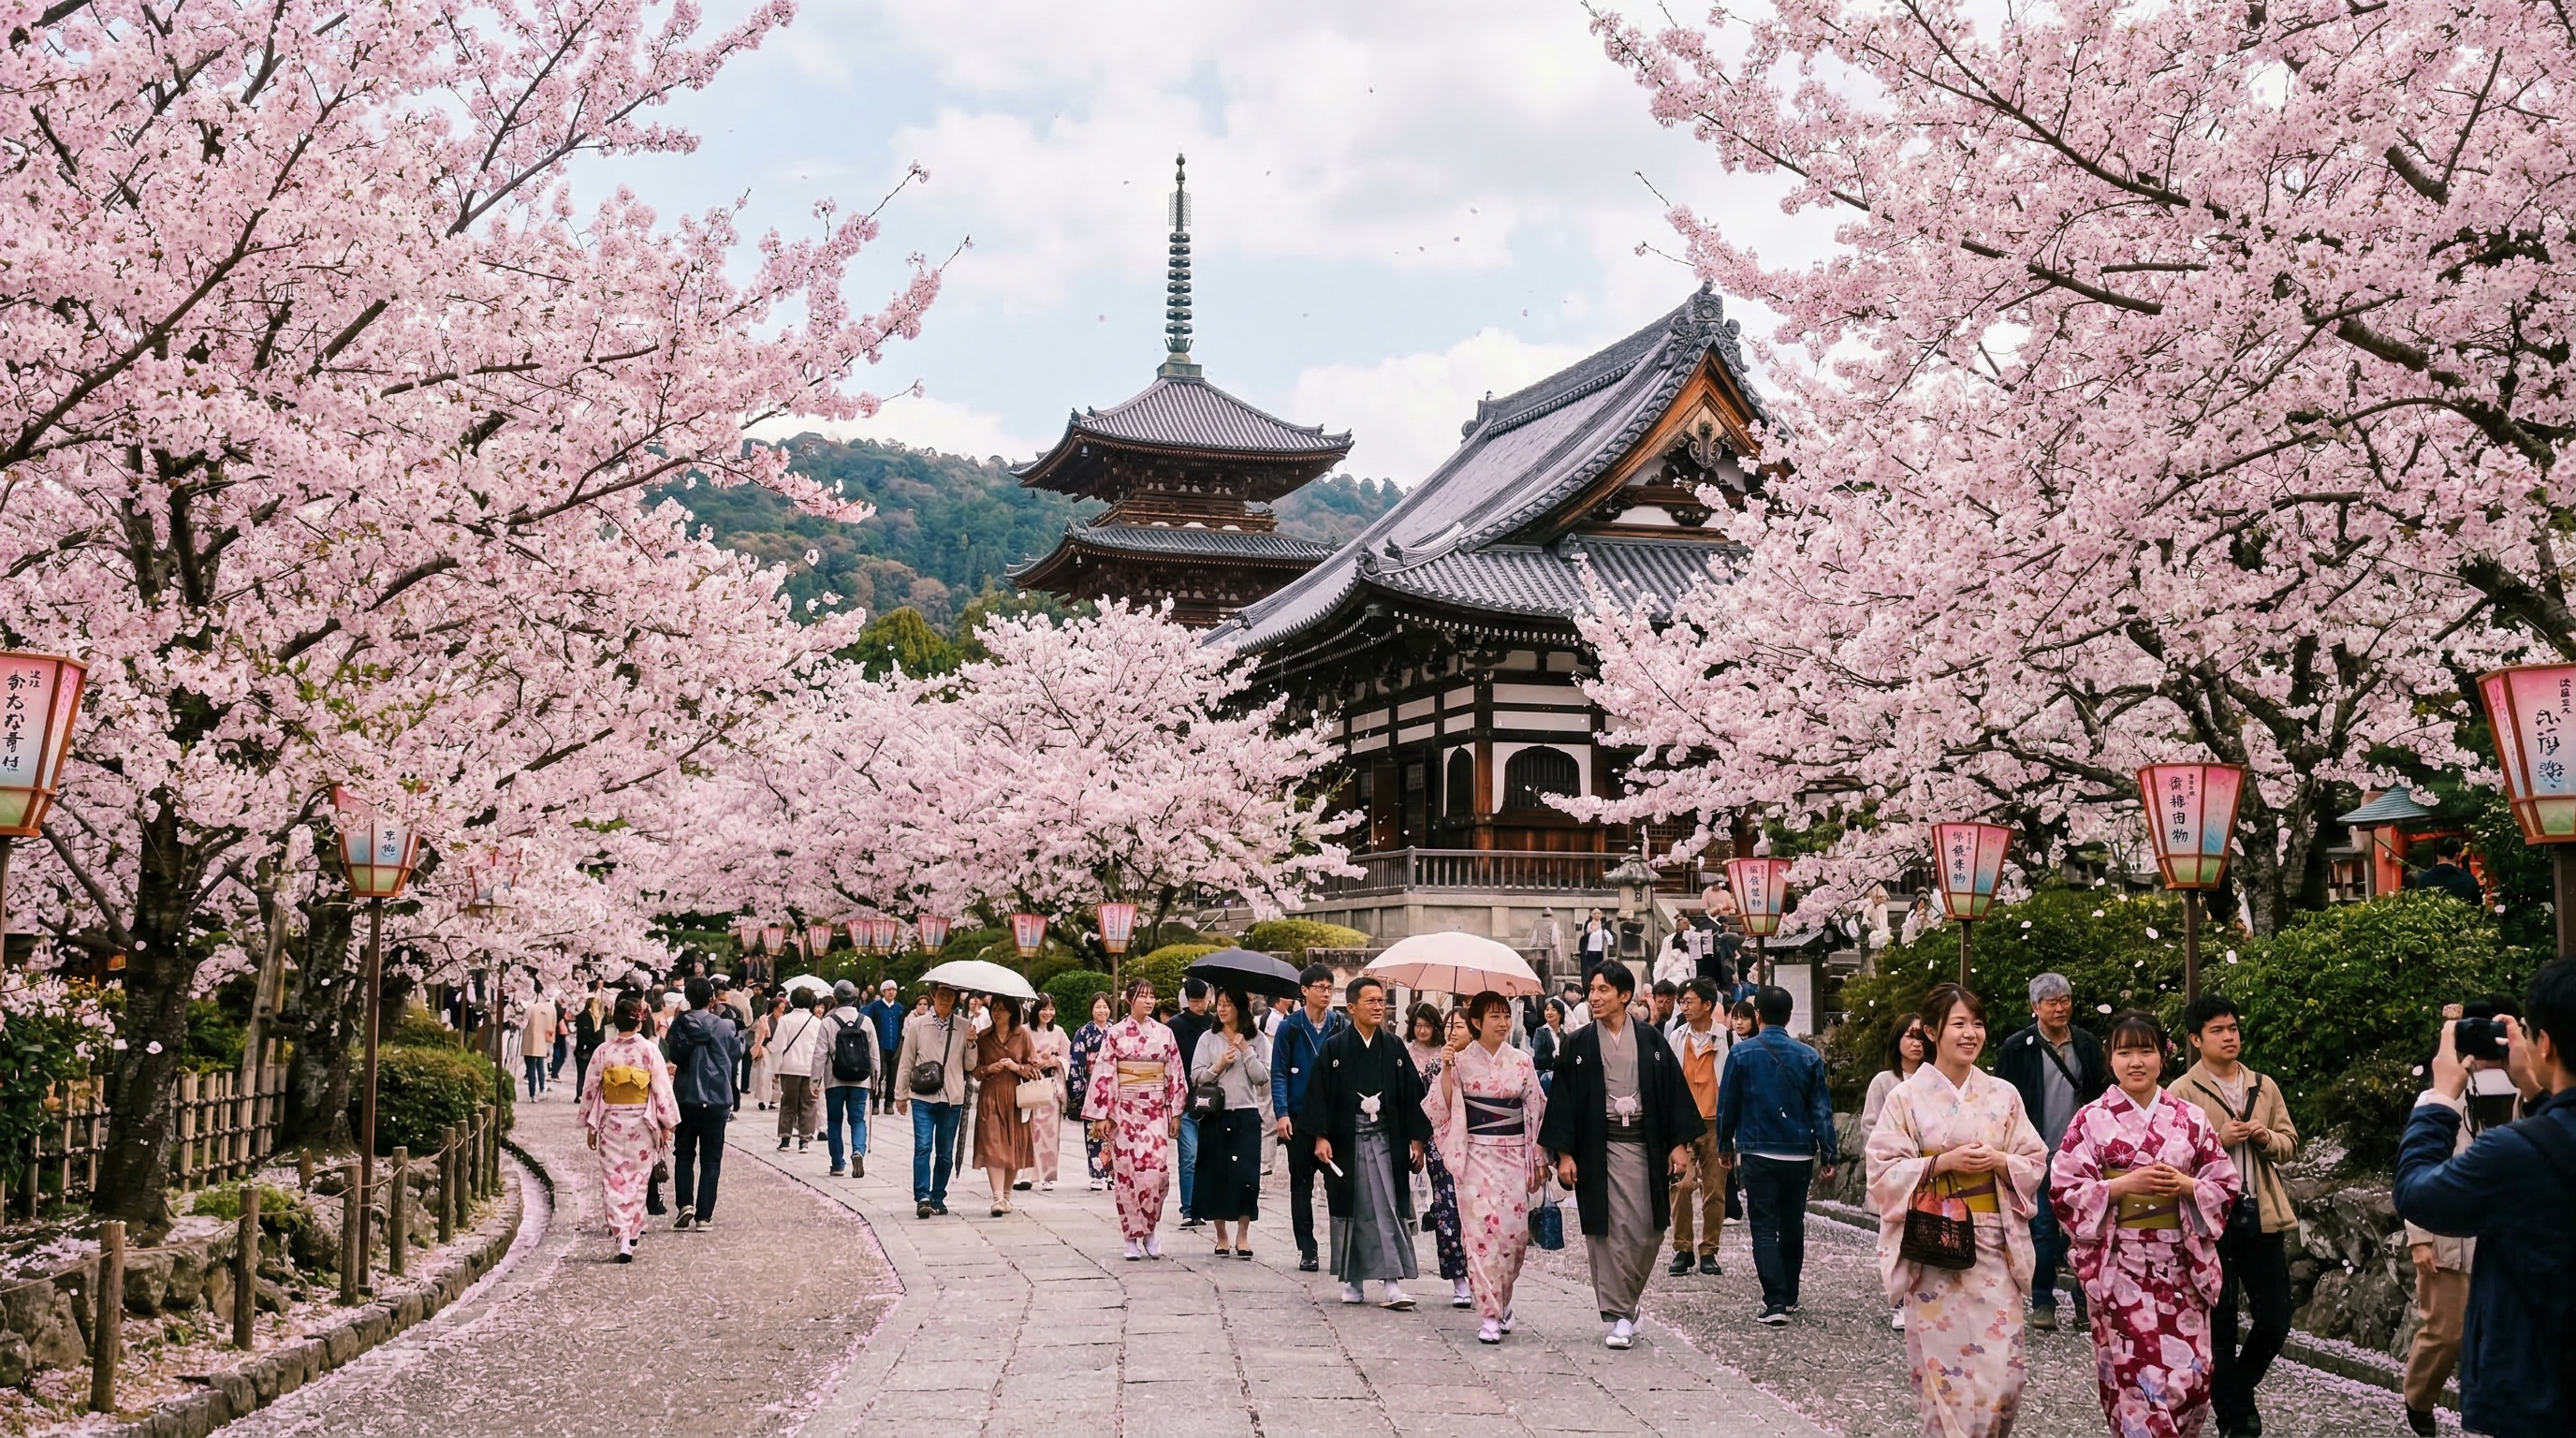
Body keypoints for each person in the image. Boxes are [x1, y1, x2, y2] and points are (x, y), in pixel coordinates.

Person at [2393, 958, 2576, 1438]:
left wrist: (2438, 1098)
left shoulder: (2515, 1150)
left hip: (2543, 1393)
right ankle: (2419, 1399)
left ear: (2547, 1045)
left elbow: (2416, 1191)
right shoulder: (2532, 1130)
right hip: (2460, 1245)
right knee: (2442, 1330)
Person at [1866, 983, 2050, 1437]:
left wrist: (2000, 1161)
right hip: (1934, 1249)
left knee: (2005, 1380)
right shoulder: (1906, 1097)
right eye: (1959, 1024)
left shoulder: (2002, 1094)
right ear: (1932, 1031)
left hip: (1991, 1245)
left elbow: (2034, 1160)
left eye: (1977, 1023)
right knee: (1944, 1382)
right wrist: (1940, 1163)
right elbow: (1882, 1171)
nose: (1971, 1034)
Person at [2052, 1010, 2240, 1438]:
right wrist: (2120, 1187)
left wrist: (2189, 1185)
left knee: (2191, 1385)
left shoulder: (2190, 1118)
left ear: (2163, 1056)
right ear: (2110, 1059)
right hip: (2120, 1270)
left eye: (2145, 1051)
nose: (2136, 1061)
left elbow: (2225, 1184)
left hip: (2181, 1269)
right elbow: (2063, 1191)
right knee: (2139, 1389)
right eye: (2124, 1052)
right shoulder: (2091, 1119)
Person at [1538, 959, 1705, 1349]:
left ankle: (1627, 1306)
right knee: (1607, 1233)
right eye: (1592, 990)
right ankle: (1620, 1315)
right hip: (1599, 1149)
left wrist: (1678, 1145)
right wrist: (1564, 1155)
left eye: (1602, 990)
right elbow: (1562, 1102)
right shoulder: (1578, 1044)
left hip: (1645, 1149)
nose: (1593, 997)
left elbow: (1671, 1093)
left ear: (1625, 996)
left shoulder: (1650, 1040)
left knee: (1648, 1231)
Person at [2170, 994, 2299, 1438]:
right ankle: (2237, 1419)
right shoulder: (2181, 1093)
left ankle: (2234, 1392)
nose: (2229, 1037)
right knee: (2219, 1322)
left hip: (2260, 1216)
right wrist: (2217, 1140)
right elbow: (2171, 1160)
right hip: (2210, 1223)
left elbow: (2289, 1143)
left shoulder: (2263, 1085)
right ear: (2195, 1039)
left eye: (2233, 1028)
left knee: (2274, 1321)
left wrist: (2265, 1137)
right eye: (2218, 1030)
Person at [2398, 999, 2527, 1436]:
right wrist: (2418, 1237)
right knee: (2446, 1332)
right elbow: (2415, 1164)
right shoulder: (2440, 1094)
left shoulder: (2526, 1088)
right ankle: (2419, 1397)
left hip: (2506, 1235)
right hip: (2447, 1231)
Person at [1300, 974, 1431, 1310]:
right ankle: (1354, 1281)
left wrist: (1416, 1140)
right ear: (1352, 1006)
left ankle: (1391, 1283)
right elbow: (1318, 1095)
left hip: (1387, 1139)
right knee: (1354, 1210)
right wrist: (1320, 1136)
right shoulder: (1335, 1047)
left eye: (1381, 1001)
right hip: (1348, 1141)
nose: (1378, 1007)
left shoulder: (1394, 1047)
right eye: (1371, 1001)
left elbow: (1412, 1097)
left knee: (1387, 1207)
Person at [1427, 990, 1547, 1343]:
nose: (1502, 1022)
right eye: (1493, 1016)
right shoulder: (1460, 1061)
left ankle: (1503, 1298)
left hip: (1512, 1154)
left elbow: (1537, 1108)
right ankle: (1490, 1315)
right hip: (1476, 1154)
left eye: (1505, 1015)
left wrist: (1539, 1156)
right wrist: (1447, 1067)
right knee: (1480, 1236)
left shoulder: (1522, 1062)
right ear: (1476, 1022)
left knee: (1513, 1235)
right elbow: (1442, 1106)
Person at [1715, 984, 1838, 1325]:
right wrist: (1829, 1154)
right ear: (1789, 1015)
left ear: (1758, 1017)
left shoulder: (1741, 1054)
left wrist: (1725, 1144)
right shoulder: (1809, 1056)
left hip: (1758, 1149)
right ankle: (1792, 1293)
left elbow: (1728, 1103)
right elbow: (1821, 1110)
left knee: (1764, 1228)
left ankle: (1775, 1301)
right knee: (1792, 1224)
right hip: (1798, 1152)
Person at [1998, 972, 2113, 1331]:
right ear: (2035, 1007)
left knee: (2086, 1230)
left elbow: (2103, 1091)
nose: (2061, 1008)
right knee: (2044, 1230)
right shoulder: (2018, 1048)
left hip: (2083, 1154)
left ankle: (2084, 1303)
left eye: (2065, 1000)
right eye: (2052, 1002)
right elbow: (2004, 1100)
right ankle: (2044, 1301)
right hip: (2038, 1152)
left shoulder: (2086, 1044)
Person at [1085, 979, 1188, 1259]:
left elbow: (1175, 1073)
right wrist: (1104, 1115)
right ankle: (1131, 1236)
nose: (1149, 1001)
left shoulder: (1164, 1033)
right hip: (1125, 1112)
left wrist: (1175, 1112)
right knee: (1127, 1176)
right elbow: (1105, 1072)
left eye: (1152, 996)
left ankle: (1151, 1228)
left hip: (1154, 1110)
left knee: (1157, 1173)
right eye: (1142, 996)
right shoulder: (1116, 1034)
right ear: (1129, 1000)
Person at [578, 992, 680, 1262]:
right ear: (639, 1022)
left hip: (611, 1121)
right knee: (637, 1180)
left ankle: (621, 1232)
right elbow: (661, 1089)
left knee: (613, 1179)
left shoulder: (604, 1051)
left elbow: (590, 1088)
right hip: (641, 1123)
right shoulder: (649, 1050)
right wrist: (666, 1124)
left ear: (615, 1021)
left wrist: (590, 1122)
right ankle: (630, 1234)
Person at [1269, 962, 1347, 1271]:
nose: (1326, 993)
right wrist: (1282, 1113)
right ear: (1304, 991)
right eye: (1320, 987)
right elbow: (1278, 1073)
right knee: (1300, 1184)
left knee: (1337, 1184)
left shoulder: (1340, 1024)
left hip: (1333, 1118)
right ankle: (1307, 1248)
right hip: (1299, 1116)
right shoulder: (1290, 1027)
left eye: (1330, 988)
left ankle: (1341, 1249)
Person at [1190, 987, 1269, 1258]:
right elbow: (1197, 1076)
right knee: (1216, 1174)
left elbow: (1262, 1077)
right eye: (1219, 1004)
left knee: (1246, 1176)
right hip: (1216, 1115)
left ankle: (1243, 1235)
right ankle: (1221, 1235)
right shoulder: (1207, 1038)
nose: (1222, 1009)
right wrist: (1219, 1064)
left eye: (1228, 1004)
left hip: (1246, 1114)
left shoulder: (1257, 1039)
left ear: (1240, 1007)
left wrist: (1246, 1050)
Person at [1403, 1004, 1473, 1310]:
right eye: (1450, 1026)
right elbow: (1427, 1106)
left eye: (1460, 1025)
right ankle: (1458, 1276)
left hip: (1478, 1142)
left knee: (1478, 1209)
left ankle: (1482, 1274)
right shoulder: (1432, 1058)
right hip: (1440, 1140)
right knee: (1447, 1208)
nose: (1452, 1031)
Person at [664, 976, 742, 1232]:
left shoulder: (680, 1024)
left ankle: (685, 1203)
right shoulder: (725, 1026)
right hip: (717, 1096)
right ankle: (704, 1216)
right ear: (711, 999)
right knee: (711, 1158)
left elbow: (674, 1054)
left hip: (687, 1095)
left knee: (684, 1152)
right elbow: (734, 1055)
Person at [1666, 976, 1730, 1279]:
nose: (1684, 1006)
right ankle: (1682, 1247)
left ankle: (1709, 1250)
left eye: (1689, 1001)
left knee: (1715, 1190)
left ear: (1708, 1005)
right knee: (1682, 1184)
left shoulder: (1726, 1038)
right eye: (1682, 1001)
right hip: (1682, 1122)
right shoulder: (1676, 1037)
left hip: (1715, 1122)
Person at [894, 983, 973, 1219]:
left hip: (952, 1097)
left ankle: (938, 1195)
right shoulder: (917, 1025)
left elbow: (970, 1066)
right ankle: (923, 1197)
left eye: (950, 995)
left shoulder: (964, 1026)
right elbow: (906, 1060)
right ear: (933, 995)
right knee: (923, 1147)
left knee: (945, 1152)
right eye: (941, 995)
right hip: (922, 1096)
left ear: (956, 999)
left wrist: (971, 1043)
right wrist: (900, 1094)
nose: (945, 999)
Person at [972, 994, 1038, 1216]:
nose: (996, 1013)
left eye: (1001, 1009)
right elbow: (975, 1070)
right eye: (994, 1008)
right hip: (990, 1096)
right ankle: (997, 1197)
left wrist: (1015, 1067)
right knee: (992, 1145)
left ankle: (1007, 1195)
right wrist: (988, 1069)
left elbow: (1034, 1068)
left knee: (1014, 1145)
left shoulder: (1023, 1035)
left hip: (1016, 1098)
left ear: (1012, 1012)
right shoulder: (983, 1037)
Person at [1167, 978, 1215, 1229]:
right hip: (1186, 1100)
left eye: (1202, 1000)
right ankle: (1189, 1208)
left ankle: (1205, 1204)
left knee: (1209, 1157)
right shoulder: (1175, 1026)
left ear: (1209, 998)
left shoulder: (1215, 1023)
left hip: (1214, 1099)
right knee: (1189, 1156)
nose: (1198, 1005)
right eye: (1194, 1001)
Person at [817, 981, 873, 1178]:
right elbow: (874, 1054)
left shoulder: (828, 1022)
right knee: (857, 1119)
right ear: (854, 998)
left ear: (835, 999)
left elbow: (819, 1055)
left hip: (835, 1079)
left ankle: (837, 1163)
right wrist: (874, 1079)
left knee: (834, 1121)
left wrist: (814, 1082)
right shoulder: (865, 1021)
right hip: (860, 1080)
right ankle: (858, 1150)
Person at [1021, 994, 1070, 1191]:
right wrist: (1033, 1060)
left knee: (1050, 1131)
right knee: (1028, 1131)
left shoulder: (1058, 1032)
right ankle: (1026, 1173)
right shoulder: (1024, 1031)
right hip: (1030, 1082)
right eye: (1043, 1008)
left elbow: (1068, 1057)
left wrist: (1055, 1061)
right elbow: (1017, 1055)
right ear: (1035, 1010)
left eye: (1051, 1008)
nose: (1048, 1013)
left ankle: (1048, 1175)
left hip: (1051, 1085)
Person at [769, 991, 827, 1152]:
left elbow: (779, 1046)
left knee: (788, 1103)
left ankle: (785, 1139)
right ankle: (804, 1140)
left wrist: (775, 1068)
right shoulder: (816, 1022)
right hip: (809, 1069)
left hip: (789, 1067)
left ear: (792, 1002)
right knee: (808, 1104)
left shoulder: (785, 1021)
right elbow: (820, 1049)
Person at [1068, 993, 1114, 1191]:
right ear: (1091, 1010)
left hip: (1113, 1085)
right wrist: (1078, 1089)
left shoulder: (1116, 1030)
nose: (1102, 1011)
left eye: (1105, 1007)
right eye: (1098, 1007)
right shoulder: (1084, 1033)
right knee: (1093, 1130)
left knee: (1113, 1130)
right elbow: (1076, 1062)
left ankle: (1113, 1173)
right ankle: (1097, 1173)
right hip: (1092, 1086)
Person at [860, 981, 907, 1115]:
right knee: (879, 1074)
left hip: (895, 1045)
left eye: (894, 989)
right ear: (883, 992)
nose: (891, 992)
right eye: (888, 989)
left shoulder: (899, 1008)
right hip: (879, 1044)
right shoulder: (875, 1006)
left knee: (893, 1076)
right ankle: (875, 1103)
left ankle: (889, 1103)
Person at [2404, 836, 2485, 908]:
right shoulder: (2469, 880)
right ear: (2457, 855)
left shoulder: (2424, 879)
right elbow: (2477, 906)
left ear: (2437, 855)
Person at [571, 981, 608, 1099]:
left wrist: (579, 1048)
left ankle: (580, 1093)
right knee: (594, 1073)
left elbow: (581, 1034)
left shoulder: (584, 1015)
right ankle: (590, 1094)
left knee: (582, 1072)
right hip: (596, 1047)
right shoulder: (601, 1015)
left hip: (585, 1048)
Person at [747, 992, 784, 1110]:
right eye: (780, 1008)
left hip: (779, 1050)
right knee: (765, 1076)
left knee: (777, 1077)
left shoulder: (784, 1020)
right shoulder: (765, 1019)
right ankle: (762, 1100)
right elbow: (759, 1035)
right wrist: (760, 1047)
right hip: (766, 1049)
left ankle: (774, 1099)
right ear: (774, 1008)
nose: (782, 1010)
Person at [520, 988, 558, 1100]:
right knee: (541, 1066)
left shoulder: (531, 1008)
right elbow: (553, 1025)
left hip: (530, 1041)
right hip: (544, 1041)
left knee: (531, 1069)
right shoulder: (552, 1008)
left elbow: (523, 1023)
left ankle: (532, 1094)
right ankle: (542, 1089)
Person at [1531, 1000, 1563, 1094]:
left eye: (1553, 1009)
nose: (1549, 1012)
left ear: (1560, 1014)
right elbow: (1538, 1054)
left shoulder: (1564, 1034)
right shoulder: (1540, 1032)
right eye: (1547, 1009)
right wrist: (1554, 1057)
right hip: (1545, 1074)